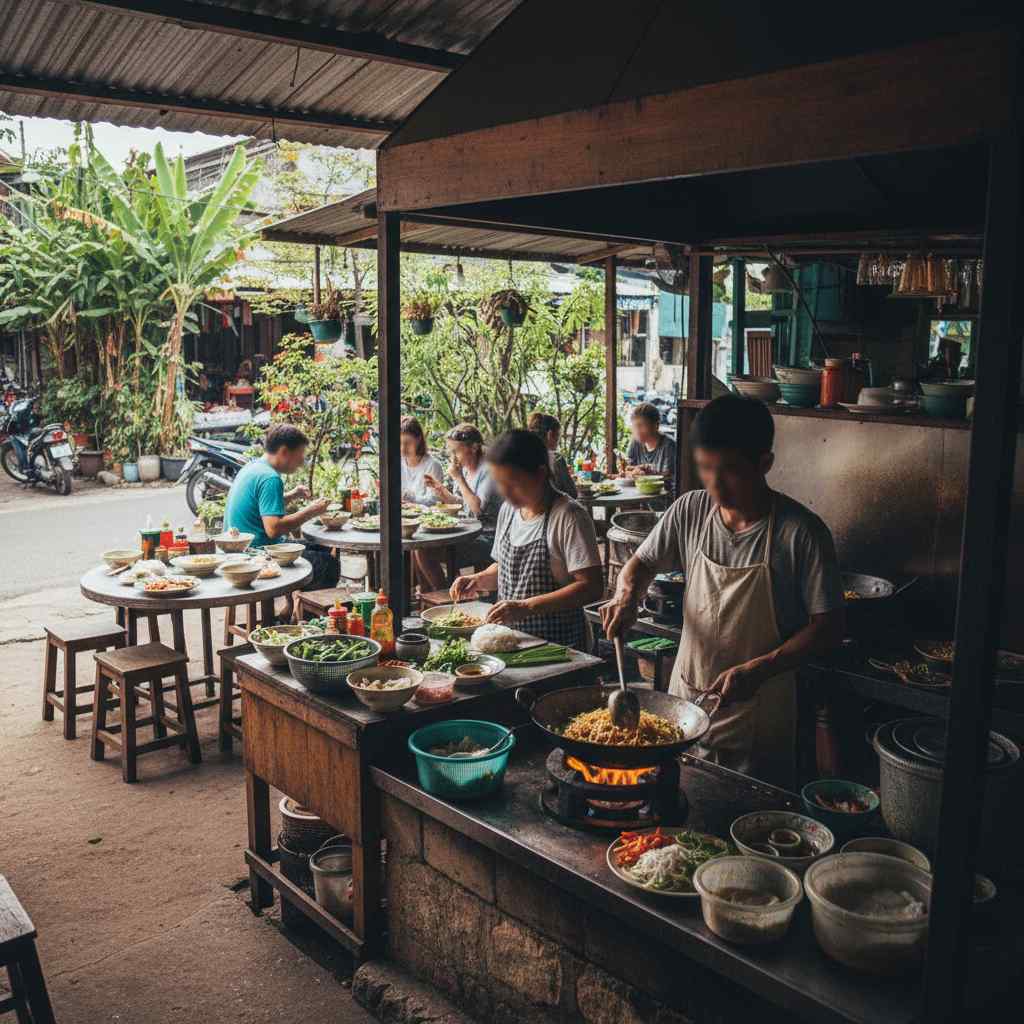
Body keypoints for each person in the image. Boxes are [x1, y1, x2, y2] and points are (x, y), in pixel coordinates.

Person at [601, 395, 844, 788]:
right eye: (705, 468)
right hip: (684, 705)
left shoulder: (800, 533)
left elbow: (829, 627)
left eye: (729, 471)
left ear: (764, 463)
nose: (714, 484)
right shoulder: (690, 510)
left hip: (760, 715)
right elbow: (641, 563)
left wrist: (761, 668)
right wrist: (626, 594)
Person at [450, 430, 603, 648]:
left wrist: (527, 607)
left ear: (540, 474)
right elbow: (507, 568)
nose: (506, 493)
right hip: (511, 642)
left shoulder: (568, 516)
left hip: (558, 648)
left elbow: (591, 586)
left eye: (513, 484)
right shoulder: (509, 511)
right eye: (500, 484)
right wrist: (479, 579)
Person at [224, 424, 338, 589]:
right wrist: (311, 511)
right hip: (257, 554)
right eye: (299, 456)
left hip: (239, 550)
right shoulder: (270, 478)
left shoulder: (254, 467)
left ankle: (292, 607)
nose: (300, 463)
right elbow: (273, 528)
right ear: (284, 452)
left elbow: (263, 507)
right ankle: (304, 612)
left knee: (324, 549)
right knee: (329, 565)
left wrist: (292, 495)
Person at [416, 423, 503, 590]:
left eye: (456, 451)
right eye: (451, 452)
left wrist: (458, 479)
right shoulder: (465, 468)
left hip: (487, 538)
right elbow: (462, 503)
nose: (453, 457)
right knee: (417, 548)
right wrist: (440, 489)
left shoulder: (488, 471)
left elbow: (477, 508)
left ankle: (447, 598)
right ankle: (429, 599)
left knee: (424, 551)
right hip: (468, 532)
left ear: (474, 447)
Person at [624, 402, 677, 493]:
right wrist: (633, 472)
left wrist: (644, 474)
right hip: (639, 495)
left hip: (663, 499)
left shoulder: (668, 445)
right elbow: (628, 469)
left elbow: (669, 478)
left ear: (656, 425)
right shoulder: (635, 443)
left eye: (641, 425)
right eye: (635, 426)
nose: (637, 430)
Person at [527, 411, 577, 498]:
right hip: (552, 509)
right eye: (558, 436)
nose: (558, 441)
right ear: (550, 435)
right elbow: (572, 494)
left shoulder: (522, 455)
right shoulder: (555, 458)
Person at [400, 416, 444, 506]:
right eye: (399, 443)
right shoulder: (398, 463)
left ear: (419, 440)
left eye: (408, 443)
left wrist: (408, 497)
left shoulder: (432, 466)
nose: (403, 448)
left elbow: (433, 501)